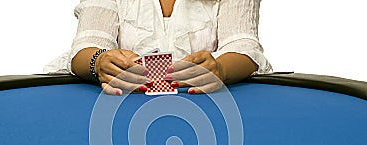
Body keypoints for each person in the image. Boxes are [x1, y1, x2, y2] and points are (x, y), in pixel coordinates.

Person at [45, 0, 272, 95]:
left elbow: (243, 45)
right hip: (120, 107)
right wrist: (100, 62)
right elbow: (86, 46)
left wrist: (220, 69)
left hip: (211, 109)